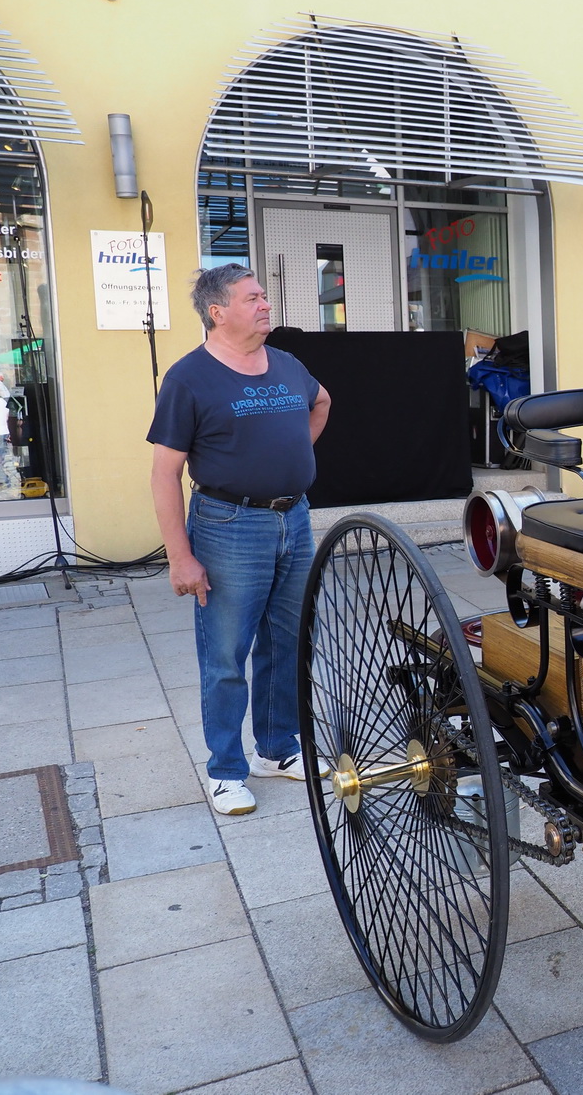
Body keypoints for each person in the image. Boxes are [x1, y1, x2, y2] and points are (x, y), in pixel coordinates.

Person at [147, 264, 333, 817]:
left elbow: (322, 401)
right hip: (229, 526)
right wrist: (180, 557)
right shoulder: (188, 378)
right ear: (217, 312)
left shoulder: (287, 363)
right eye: (252, 298)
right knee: (226, 654)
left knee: (287, 642)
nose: (265, 304)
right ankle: (226, 771)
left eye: (264, 296)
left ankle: (275, 750)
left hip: (293, 519)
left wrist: (289, 454)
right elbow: (164, 475)